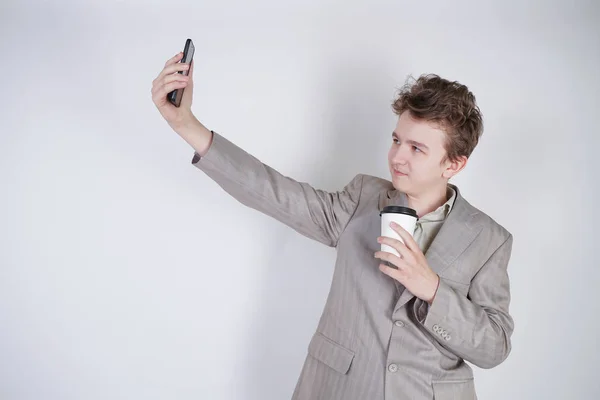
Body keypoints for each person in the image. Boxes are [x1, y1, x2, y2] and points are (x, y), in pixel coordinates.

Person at [151, 51, 514, 400]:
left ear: (453, 165)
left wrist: (432, 288)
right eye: (396, 140)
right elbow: (274, 193)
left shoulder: (490, 239)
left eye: (417, 149)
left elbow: (494, 347)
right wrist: (186, 124)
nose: (397, 157)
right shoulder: (361, 199)